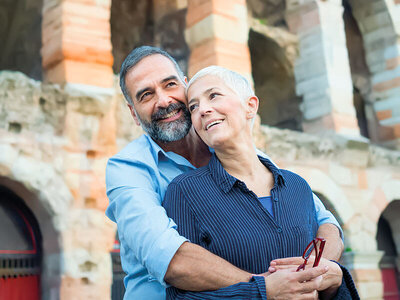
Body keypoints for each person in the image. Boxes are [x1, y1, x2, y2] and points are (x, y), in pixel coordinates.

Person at [105, 46, 344, 299]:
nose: (163, 101)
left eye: (170, 84)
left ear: (186, 87)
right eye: (146, 95)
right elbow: (172, 259)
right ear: (133, 113)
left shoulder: (232, 145)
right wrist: (268, 288)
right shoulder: (128, 168)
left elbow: (325, 223)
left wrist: (314, 275)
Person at [162, 65, 359, 299]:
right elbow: (179, 296)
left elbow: (319, 284)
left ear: (250, 106)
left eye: (213, 95)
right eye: (193, 106)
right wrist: (263, 291)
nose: (203, 109)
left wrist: (335, 278)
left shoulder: (297, 187)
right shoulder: (185, 191)